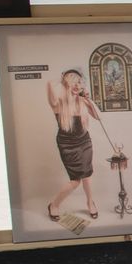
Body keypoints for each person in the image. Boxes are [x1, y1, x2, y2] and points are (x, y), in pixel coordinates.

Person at [46, 68, 101, 220]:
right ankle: (54, 205)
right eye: (73, 83)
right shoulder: (57, 104)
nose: (77, 86)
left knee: (87, 175)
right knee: (76, 181)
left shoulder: (83, 102)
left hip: (84, 142)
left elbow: (98, 117)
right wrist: (64, 77)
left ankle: (90, 202)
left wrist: (89, 101)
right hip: (67, 145)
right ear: (66, 84)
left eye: (80, 83)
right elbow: (49, 83)